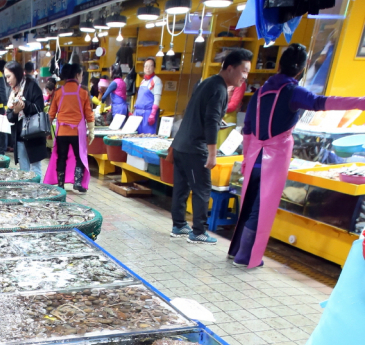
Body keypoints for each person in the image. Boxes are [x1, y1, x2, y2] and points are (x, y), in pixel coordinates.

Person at [229, 43, 365, 268]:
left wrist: (246, 158)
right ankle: (245, 257)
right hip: (274, 158)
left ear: (280, 65)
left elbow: (248, 128)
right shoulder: (292, 91)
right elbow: (321, 103)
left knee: (249, 204)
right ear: (301, 70)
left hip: (254, 157)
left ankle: (236, 252)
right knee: (260, 209)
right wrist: (360, 102)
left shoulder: (261, 91)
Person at [170, 48, 253, 244]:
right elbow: (210, 121)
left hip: (182, 144)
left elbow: (201, 114)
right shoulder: (219, 89)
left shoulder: (208, 82)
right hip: (194, 148)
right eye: (244, 71)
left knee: (182, 187)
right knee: (202, 189)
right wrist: (212, 154)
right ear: (231, 68)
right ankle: (198, 232)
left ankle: (179, 224)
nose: (245, 77)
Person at [44, 62, 94, 192]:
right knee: (79, 157)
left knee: (61, 157)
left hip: (61, 133)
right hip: (77, 132)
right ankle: (77, 182)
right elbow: (89, 114)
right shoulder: (83, 92)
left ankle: (60, 184)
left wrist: (46, 131)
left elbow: (51, 114)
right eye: (81, 75)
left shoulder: (59, 92)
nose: (81, 77)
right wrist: (92, 131)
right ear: (77, 75)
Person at [4, 61, 48, 176]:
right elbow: (9, 116)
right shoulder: (12, 91)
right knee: (24, 171)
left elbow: (39, 108)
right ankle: (27, 193)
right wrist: (15, 111)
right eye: (6, 77)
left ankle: (38, 193)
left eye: (9, 77)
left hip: (34, 135)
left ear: (17, 73)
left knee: (35, 169)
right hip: (19, 136)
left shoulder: (32, 86)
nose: (7, 80)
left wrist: (25, 104)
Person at [134, 58, 162, 134]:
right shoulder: (143, 81)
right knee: (137, 136)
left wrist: (153, 113)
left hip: (148, 114)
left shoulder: (156, 80)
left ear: (154, 68)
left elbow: (157, 98)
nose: (148, 68)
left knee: (147, 137)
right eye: (146, 66)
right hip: (138, 113)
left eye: (150, 66)